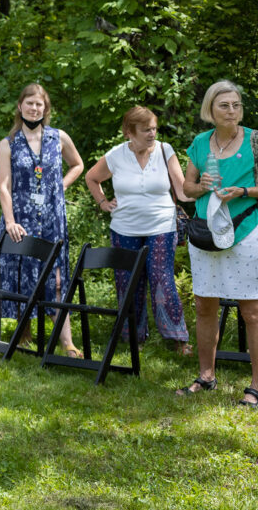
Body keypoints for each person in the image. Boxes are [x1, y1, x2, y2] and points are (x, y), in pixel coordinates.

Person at [84, 106, 192, 355]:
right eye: (146, 130)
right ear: (129, 132)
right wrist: (103, 202)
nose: (152, 133)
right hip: (124, 228)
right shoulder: (116, 155)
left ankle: (178, 339)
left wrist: (202, 189)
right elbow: (91, 178)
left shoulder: (166, 151)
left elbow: (182, 190)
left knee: (161, 279)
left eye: (154, 128)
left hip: (162, 226)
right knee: (127, 281)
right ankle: (134, 337)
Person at [176, 80, 258, 407]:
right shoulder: (200, 143)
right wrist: (201, 186)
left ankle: (255, 387)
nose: (232, 111)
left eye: (236, 105)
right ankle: (206, 376)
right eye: (224, 105)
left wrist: (243, 191)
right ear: (210, 110)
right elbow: (186, 188)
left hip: (246, 229)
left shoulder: (254, 139)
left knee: (251, 311)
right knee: (204, 305)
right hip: (205, 232)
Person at [0, 83, 83, 357]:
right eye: (30, 103)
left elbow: (78, 165)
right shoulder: (8, 144)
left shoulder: (59, 138)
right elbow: (3, 186)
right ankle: (23, 332)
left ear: (46, 109)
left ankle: (65, 340)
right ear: (20, 106)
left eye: (39, 104)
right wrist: (10, 221)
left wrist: (60, 188)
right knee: (23, 275)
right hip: (20, 217)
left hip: (52, 220)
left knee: (57, 278)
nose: (34, 108)